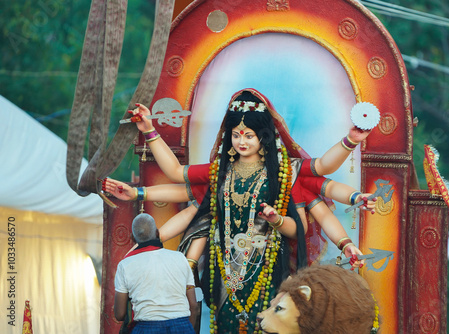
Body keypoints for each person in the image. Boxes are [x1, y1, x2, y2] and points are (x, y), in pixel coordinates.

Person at [107, 88, 373, 333]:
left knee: (267, 323)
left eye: (249, 135)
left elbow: (318, 180)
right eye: (235, 135)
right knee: (225, 325)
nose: (241, 142)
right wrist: (149, 130)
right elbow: (176, 173)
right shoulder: (221, 173)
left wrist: (351, 140)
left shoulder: (284, 171)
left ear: (264, 136)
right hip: (223, 269)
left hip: (268, 269)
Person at [114, 213, 198, 333]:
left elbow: (120, 314)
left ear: (133, 238)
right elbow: (193, 306)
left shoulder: (125, 265)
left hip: (146, 328)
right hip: (182, 325)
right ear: (157, 233)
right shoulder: (180, 258)